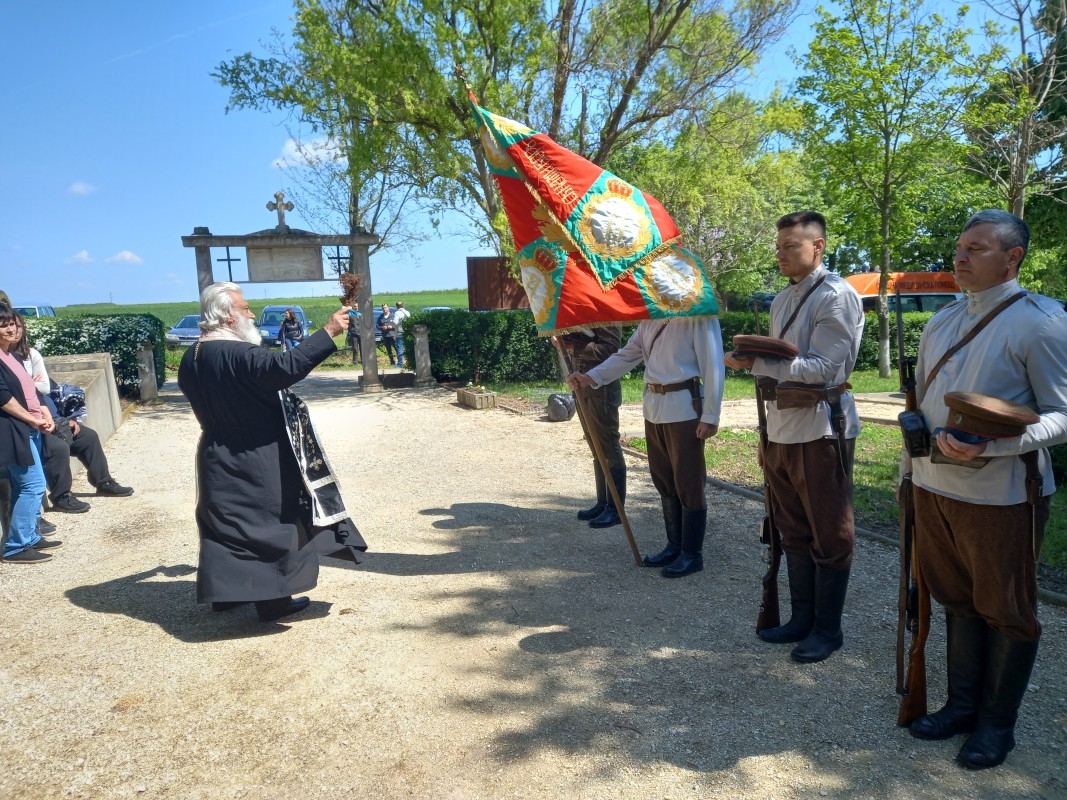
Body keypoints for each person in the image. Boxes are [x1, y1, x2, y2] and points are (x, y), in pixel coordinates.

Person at [902, 210, 1067, 770]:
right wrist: (909, 475)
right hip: (933, 487)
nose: (961, 256)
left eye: (977, 248)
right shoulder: (942, 320)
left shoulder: (1042, 322)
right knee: (956, 598)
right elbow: (921, 408)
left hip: (1002, 494)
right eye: (960, 247)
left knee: (1007, 609)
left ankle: (997, 725)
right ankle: (961, 706)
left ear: (1013, 257)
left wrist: (992, 447)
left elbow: (1062, 414)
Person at [177, 281, 367, 623]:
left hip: (215, 452)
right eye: (245, 308)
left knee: (226, 527)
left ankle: (228, 593)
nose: (251, 314)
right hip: (257, 453)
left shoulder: (193, 356)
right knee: (268, 526)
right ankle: (274, 601)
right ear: (228, 316)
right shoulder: (240, 354)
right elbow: (284, 368)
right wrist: (328, 331)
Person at [724, 210, 864, 664]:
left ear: (818, 246)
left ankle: (828, 630)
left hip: (821, 428)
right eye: (779, 246)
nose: (781, 254)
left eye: (791, 245)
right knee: (793, 529)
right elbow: (782, 362)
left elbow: (825, 369)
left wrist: (757, 362)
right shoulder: (783, 299)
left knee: (830, 532)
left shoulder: (837, 295)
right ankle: (802, 619)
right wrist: (753, 359)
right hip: (780, 426)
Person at [567, 317, 724, 578]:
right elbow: (627, 355)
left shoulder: (697, 316)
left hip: (684, 407)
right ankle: (674, 546)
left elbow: (713, 364)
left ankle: (691, 554)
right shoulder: (649, 321)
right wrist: (590, 377)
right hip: (654, 407)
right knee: (664, 479)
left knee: (688, 480)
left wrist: (711, 415)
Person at [11, 316, 132, 513]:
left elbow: (46, 388)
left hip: (56, 418)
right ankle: (61, 496)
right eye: (7, 325)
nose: (14, 330)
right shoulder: (6, 361)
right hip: (32, 424)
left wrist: (70, 418)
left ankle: (103, 482)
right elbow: (16, 393)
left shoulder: (30, 355)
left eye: (17, 326)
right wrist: (29, 384)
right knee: (57, 448)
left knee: (88, 437)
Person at [0, 305, 59, 563]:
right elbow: (3, 398)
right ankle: (16, 546)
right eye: (3, 325)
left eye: (12, 323)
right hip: (14, 430)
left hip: (29, 427)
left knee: (30, 484)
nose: (10, 329)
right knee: (32, 485)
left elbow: (31, 391)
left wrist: (43, 413)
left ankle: (30, 537)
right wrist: (32, 419)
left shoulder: (10, 355)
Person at [559, 326, 626, 528]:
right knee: (595, 445)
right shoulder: (581, 314)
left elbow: (611, 349)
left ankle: (615, 509)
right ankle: (603, 502)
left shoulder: (605, 311)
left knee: (607, 444)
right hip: (581, 385)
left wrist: (573, 346)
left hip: (602, 388)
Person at [393, 301, 411, 367]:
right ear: (403, 305)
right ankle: (409, 362)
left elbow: (395, 323)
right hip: (407, 332)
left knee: (399, 347)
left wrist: (392, 322)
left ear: (396, 306)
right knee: (407, 347)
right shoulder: (407, 312)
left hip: (400, 332)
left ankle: (400, 363)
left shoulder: (397, 313)